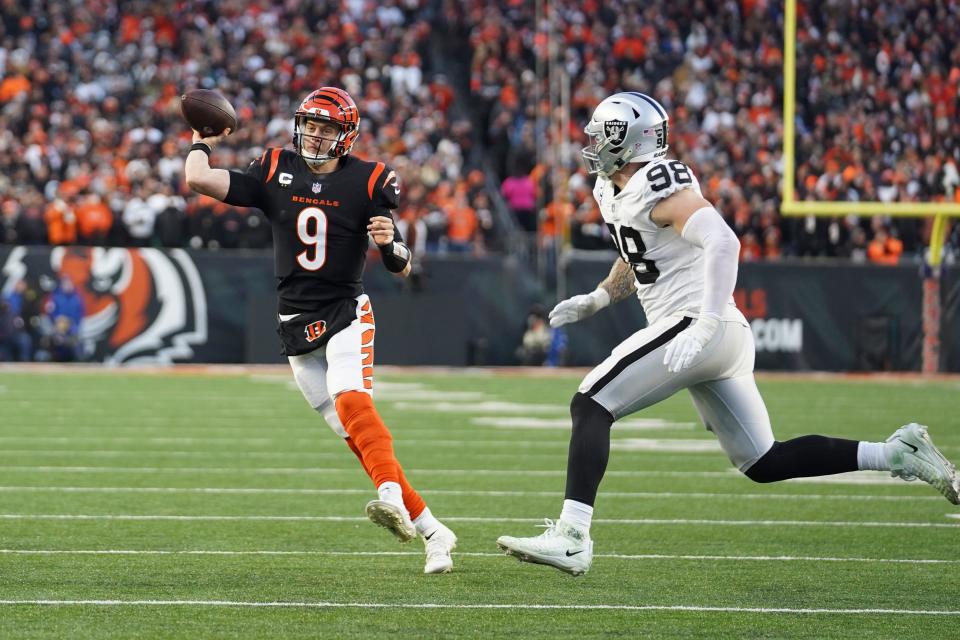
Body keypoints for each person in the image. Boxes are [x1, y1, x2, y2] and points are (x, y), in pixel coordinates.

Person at [496, 92, 960, 576]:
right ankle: (897, 452)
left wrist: (705, 321)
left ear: (624, 139)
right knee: (763, 460)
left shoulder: (659, 180)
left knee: (591, 402)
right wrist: (598, 298)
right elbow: (642, 254)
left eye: (599, 133)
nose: (591, 141)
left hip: (700, 323)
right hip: (714, 334)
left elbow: (723, 240)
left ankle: (572, 537)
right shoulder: (613, 190)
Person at [184, 86, 457, 574]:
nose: (313, 134)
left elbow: (401, 264)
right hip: (294, 325)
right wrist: (202, 137)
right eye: (309, 124)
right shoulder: (274, 169)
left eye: (325, 127)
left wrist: (391, 246)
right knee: (356, 438)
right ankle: (436, 532)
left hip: (345, 311)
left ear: (345, 135)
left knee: (354, 401)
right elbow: (198, 178)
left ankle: (391, 498)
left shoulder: (370, 180)